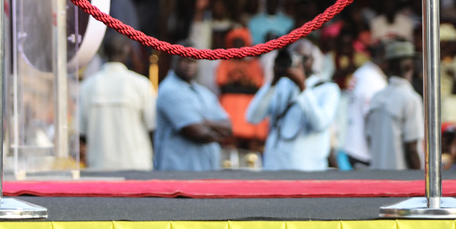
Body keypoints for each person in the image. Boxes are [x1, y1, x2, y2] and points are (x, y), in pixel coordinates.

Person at [246, 40, 340, 170]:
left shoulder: (327, 88)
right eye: (294, 57)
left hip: (308, 169)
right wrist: (273, 82)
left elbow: (320, 124)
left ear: (312, 60)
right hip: (273, 167)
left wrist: (302, 87)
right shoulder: (280, 84)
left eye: (304, 58)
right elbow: (252, 118)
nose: (299, 62)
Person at [78, 35, 156, 170]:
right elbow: (153, 127)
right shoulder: (141, 84)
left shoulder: (88, 86)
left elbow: (81, 133)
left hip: (100, 167)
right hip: (136, 167)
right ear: (127, 50)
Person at [153, 51, 233, 171]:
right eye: (184, 60)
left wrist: (205, 122)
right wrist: (218, 133)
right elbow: (197, 132)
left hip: (207, 169)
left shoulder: (205, 93)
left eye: (193, 61)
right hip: (178, 171)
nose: (189, 65)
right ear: (174, 62)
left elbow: (228, 128)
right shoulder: (169, 90)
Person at [364, 41, 423, 169]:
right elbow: (412, 148)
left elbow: (369, 138)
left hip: (377, 173)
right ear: (410, 66)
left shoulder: (377, 97)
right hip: (400, 177)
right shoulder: (410, 98)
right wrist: (419, 177)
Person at [342, 40, 388, 168]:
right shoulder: (372, 79)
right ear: (382, 56)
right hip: (364, 151)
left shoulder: (362, 72)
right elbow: (371, 118)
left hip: (354, 144)